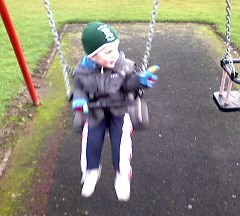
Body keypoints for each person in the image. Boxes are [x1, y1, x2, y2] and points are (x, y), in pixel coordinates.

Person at [72, 21, 158, 201]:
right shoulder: (82, 70)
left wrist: (139, 81)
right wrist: (79, 99)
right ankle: (91, 171)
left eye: (116, 49)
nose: (114, 55)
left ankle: (122, 175)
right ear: (93, 55)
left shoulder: (124, 65)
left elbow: (129, 85)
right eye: (108, 52)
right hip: (95, 111)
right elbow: (79, 87)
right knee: (90, 141)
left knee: (121, 143)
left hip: (120, 108)